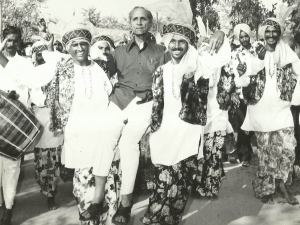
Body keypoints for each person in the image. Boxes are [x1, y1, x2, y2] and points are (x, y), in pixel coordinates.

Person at [91, 6, 226, 225]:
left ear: (150, 23)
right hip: (120, 101)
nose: (139, 22)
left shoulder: (163, 52)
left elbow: (193, 59)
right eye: (134, 19)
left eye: (143, 19)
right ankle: (97, 199)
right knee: (105, 137)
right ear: (129, 22)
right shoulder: (118, 52)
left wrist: (219, 34)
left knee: (128, 144)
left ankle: (125, 204)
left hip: (147, 105)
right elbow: (99, 71)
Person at [0, 20, 113, 225]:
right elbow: (25, 76)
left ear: (89, 45)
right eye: (74, 44)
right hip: (78, 140)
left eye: (83, 43)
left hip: (103, 137)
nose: (79, 48)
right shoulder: (60, 66)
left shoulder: (101, 68)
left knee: (109, 195)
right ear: (67, 47)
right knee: (85, 196)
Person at [142, 21, 229, 225]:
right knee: (162, 186)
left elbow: (223, 57)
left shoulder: (197, 67)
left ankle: (172, 220)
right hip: (163, 135)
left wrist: (221, 33)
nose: (177, 46)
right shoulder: (160, 71)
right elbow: (157, 105)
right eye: (173, 42)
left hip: (188, 135)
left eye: (182, 42)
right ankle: (153, 220)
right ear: (167, 44)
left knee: (181, 188)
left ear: (188, 45)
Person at [241, 18, 300, 205]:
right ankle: (266, 187)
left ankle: (282, 184)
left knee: (288, 148)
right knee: (266, 152)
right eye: (268, 31)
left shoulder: (285, 50)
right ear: (263, 33)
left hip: (281, 108)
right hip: (260, 108)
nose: (271, 35)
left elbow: (298, 69)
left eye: (275, 31)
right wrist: (259, 58)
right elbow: (249, 71)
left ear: (279, 33)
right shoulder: (257, 49)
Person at [0, 25, 45, 225]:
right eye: (8, 40)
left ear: (20, 41)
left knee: (11, 167)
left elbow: (34, 90)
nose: (12, 44)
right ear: (2, 40)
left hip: (16, 124)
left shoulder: (25, 63)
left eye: (15, 40)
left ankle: (8, 208)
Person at [29, 40, 64, 211]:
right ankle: (49, 194)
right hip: (40, 121)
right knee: (43, 160)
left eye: (45, 53)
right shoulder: (32, 74)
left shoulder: (56, 72)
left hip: (56, 120)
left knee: (56, 159)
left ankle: (52, 192)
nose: (42, 56)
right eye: (39, 53)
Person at [227, 23, 256, 166]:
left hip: (257, 90)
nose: (244, 38)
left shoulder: (257, 49)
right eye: (241, 36)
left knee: (254, 123)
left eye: (246, 36)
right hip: (242, 92)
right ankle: (244, 155)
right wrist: (238, 72)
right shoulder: (235, 53)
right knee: (243, 123)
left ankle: (247, 148)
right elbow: (232, 73)